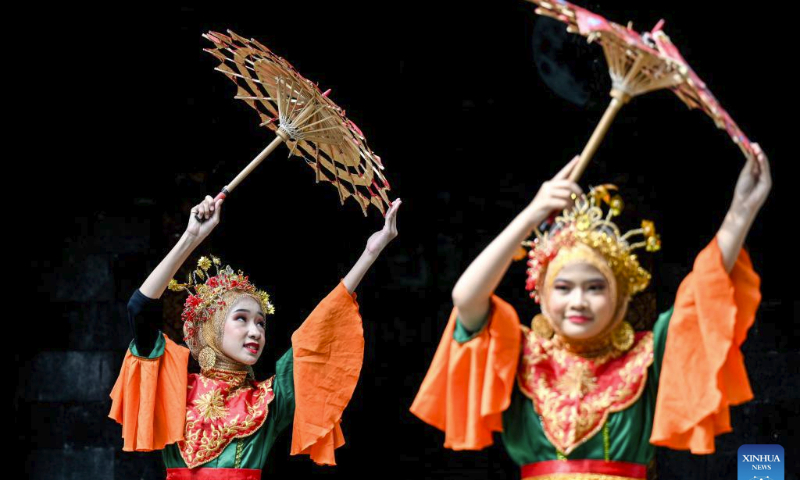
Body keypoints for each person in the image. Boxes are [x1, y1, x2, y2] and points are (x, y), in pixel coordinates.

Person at [411, 147, 770, 479]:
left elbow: (704, 289)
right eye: (563, 288)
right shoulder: (521, 353)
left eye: (595, 288)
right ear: (541, 296)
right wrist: (532, 214)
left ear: (621, 298)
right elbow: (466, 298)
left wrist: (741, 211)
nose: (578, 301)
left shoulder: (647, 356)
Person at [108, 194, 401, 478]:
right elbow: (139, 308)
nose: (255, 331)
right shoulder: (175, 388)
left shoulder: (270, 398)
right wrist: (191, 237)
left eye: (261, 323)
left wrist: (370, 253)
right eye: (242, 319)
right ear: (212, 327)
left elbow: (317, 332)